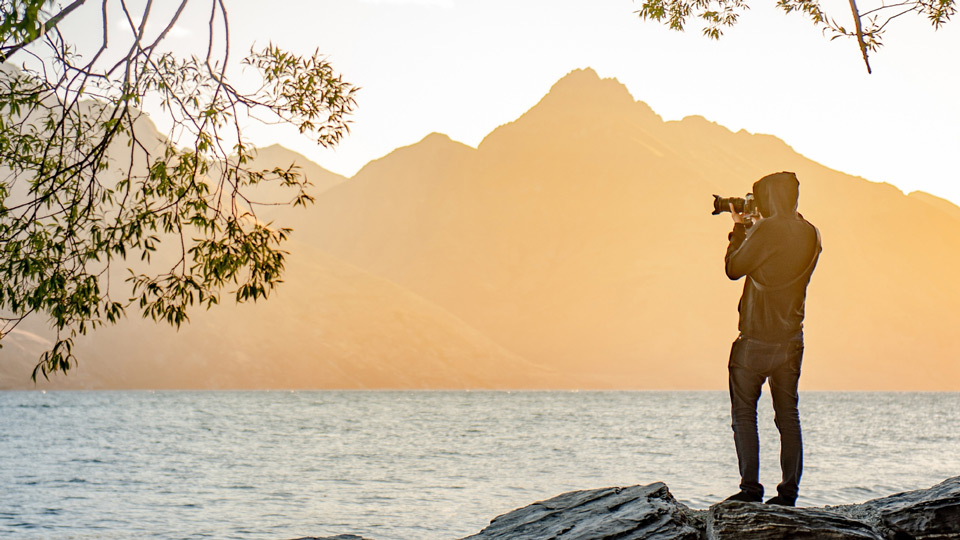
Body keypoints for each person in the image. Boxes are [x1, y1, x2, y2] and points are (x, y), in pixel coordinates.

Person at [722, 171, 821, 507]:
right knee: (787, 415)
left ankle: (750, 490)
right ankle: (788, 495)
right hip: (792, 340)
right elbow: (779, 260)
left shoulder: (765, 229)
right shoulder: (811, 233)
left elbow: (735, 268)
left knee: (745, 413)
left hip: (754, 341)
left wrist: (740, 228)